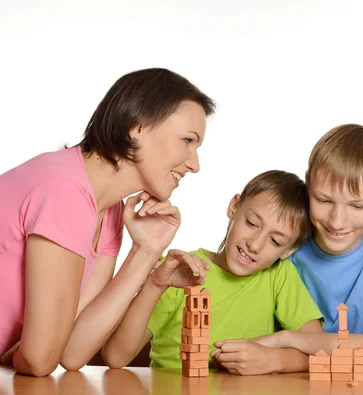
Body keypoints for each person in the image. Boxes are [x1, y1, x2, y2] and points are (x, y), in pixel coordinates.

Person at [0, 68, 215, 376]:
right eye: (186, 140)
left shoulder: (108, 211)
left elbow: (73, 352)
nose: (194, 164)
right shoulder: (66, 191)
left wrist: (146, 251)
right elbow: (39, 360)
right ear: (135, 127)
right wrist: (29, 352)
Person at [102, 170, 324, 375]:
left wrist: (274, 359)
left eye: (275, 241)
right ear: (234, 207)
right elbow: (115, 356)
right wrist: (155, 284)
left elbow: (321, 351)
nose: (255, 245)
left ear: (289, 250)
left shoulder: (279, 275)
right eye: (252, 223)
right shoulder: (179, 271)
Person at [252, 124, 363, 373]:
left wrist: (290, 340)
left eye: (356, 206)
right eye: (323, 200)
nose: (336, 221)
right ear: (308, 184)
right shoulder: (285, 241)